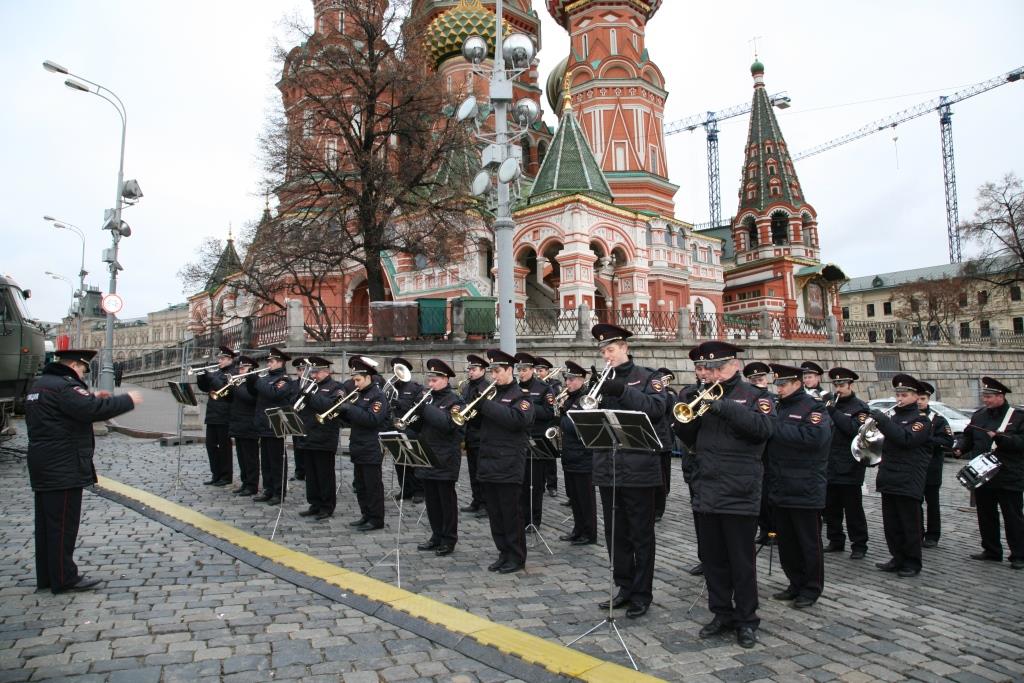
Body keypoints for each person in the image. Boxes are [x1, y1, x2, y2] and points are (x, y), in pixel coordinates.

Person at [675, 341, 774, 649]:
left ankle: (746, 619)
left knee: (741, 562)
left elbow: (763, 430)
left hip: (740, 489)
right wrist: (686, 418)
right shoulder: (700, 394)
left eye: (718, 368)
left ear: (735, 365)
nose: (712, 374)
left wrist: (723, 406)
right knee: (713, 560)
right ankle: (721, 613)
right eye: (709, 368)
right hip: (707, 486)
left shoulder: (756, 396)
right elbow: (688, 438)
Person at [25, 349, 142, 593]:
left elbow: (67, 410)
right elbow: (92, 411)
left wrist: (91, 397)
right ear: (74, 366)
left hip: (43, 462)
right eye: (82, 370)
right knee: (63, 526)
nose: (82, 375)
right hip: (63, 463)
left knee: (46, 525)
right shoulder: (64, 386)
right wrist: (128, 400)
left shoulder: (41, 385)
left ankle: (47, 576)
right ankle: (64, 578)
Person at [589, 324, 668, 620]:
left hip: (640, 469)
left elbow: (656, 409)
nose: (606, 356)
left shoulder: (648, 377)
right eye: (603, 351)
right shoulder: (602, 379)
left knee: (640, 535)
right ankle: (624, 586)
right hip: (608, 468)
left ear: (624, 348)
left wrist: (622, 391)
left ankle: (642, 593)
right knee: (615, 533)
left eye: (610, 350)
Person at [765, 364, 832, 609]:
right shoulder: (778, 406)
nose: (779, 389)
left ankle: (811, 588)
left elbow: (815, 439)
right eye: (777, 385)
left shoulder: (813, 408)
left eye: (783, 385)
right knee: (787, 542)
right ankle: (795, 582)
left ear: (797, 383)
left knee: (808, 542)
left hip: (805, 485)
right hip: (780, 484)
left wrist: (773, 427)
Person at [954, 376, 1024, 569]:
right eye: (984, 396)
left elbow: (1021, 443)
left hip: (1009, 474)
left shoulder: (1017, 417)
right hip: (983, 475)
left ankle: (1019, 555)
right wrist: (960, 448)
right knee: (986, 515)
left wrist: (1001, 438)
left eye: (989, 397)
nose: (985, 400)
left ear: (1001, 396)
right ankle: (992, 550)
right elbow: (968, 436)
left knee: (1013, 517)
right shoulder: (979, 415)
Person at [476, 348, 534, 574]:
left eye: (498, 371)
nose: (494, 376)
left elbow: (517, 420)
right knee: (495, 514)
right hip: (488, 461)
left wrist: (485, 405)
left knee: (511, 514)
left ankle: (516, 556)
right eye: (492, 372)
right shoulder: (491, 394)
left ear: (509, 370)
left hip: (509, 463)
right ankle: (503, 552)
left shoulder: (521, 396)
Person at [871, 374, 933, 578]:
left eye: (904, 395)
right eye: (897, 394)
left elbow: (906, 439)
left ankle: (913, 562)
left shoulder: (921, 421)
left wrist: (883, 422)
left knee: (909, 524)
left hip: (909, 478)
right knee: (892, 524)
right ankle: (897, 557)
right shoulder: (894, 418)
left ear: (915, 397)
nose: (899, 398)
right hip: (889, 476)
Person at [330, 356, 390, 531]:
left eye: (358, 380)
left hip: (372, 446)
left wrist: (350, 408)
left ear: (368, 377)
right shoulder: (359, 395)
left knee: (372, 486)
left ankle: (376, 519)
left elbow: (372, 419)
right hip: (358, 444)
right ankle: (366, 515)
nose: (355, 384)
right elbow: (353, 420)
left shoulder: (378, 397)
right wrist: (341, 412)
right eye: (354, 380)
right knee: (361, 485)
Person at [414, 359, 466, 556]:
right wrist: (414, 412)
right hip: (427, 454)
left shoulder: (455, 402)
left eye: (434, 380)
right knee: (432, 501)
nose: (430, 384)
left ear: (445, 379)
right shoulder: (429, 400)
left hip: (446, 457)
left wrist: (425, 408)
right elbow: (419, 427)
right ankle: (436, 536)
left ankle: (449, 539)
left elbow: (447, 424)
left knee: (446, 501)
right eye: (429, 380)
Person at [822, 367, 871, 559]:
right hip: (830, 463)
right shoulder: (830, 404)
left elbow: (854, 429)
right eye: (835, 385)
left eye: (841, 385)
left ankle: (859, 544)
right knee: (831, 507)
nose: (838, 389)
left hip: (850, 465)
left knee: (853, 509)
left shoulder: (860, 408)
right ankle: (835, 540)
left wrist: (833, 412)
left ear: (850, 385)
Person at [293, 357, 345, 520]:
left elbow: (330, 406)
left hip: (324, 437)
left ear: (327, 371)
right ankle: (314, 504)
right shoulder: (309, 385)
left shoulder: (336, 387)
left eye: (317, 372)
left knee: (324, 474)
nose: (314, 375)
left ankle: (326, 506)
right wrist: (300, 394)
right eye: (312, 372)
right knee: (311, 474)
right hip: (308, 434)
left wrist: (309, 396)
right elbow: (296, 405)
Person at [248, 347, 295, 506]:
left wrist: (257, 381)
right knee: (266, 461)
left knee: (277, 461)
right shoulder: (266, 378)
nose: (268, 364)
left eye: (271, 361)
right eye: (268, 361)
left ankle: (278, 492)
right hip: (263, 423)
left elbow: (274, 393)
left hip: (276, 424)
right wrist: (250, 381)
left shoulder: (285, 380)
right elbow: (254, 393)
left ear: (280, 363)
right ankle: (268, 490)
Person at [679, 351, 712, 576]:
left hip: (712, 463)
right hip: (693, 460)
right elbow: (678, 423)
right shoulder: (688, 393)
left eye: (705, 369)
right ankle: (704, 557)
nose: (702, 373)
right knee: (698, 514)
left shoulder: (721, 394)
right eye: (699, 369)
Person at [514, 352, 555, 530]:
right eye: (519, 370)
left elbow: (549, 413)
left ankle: (534, 520)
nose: (521, 373)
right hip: (518, 440)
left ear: (532, 370)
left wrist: (529, 406)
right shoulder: (514, 388)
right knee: (520, 483)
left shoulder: (544, 388)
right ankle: (521, 518)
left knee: (535, 484)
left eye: (524, 370)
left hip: (537, 440)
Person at [557, 362, 597, 545]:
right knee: (574, 498)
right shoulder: (570, 399)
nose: (568, 383)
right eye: (567, 379)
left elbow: (579, 426)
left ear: (582, 380)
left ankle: (589, 533)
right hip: (570, 456)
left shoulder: (585, 400)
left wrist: (562, 414)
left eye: (572, 380)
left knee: (585, 499)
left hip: (583, 457)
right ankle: (578, 529)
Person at [918, 381, 953, 548]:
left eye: (922, 398)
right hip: (914, 468)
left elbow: (948, 441)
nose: (919, 402)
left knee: (932, 503)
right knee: (914, 503)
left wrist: (927, 439)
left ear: (928, 399)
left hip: (932, 467)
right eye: (917, 398)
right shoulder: (908, 418)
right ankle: (917, 532)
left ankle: (933, 535)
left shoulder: (938, 420)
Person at [195, 346, 236, 486]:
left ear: (230, 359)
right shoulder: (218, 372)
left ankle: (226, 476)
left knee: (224, 447)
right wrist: (201, 376)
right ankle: (216, 474)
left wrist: (211, 377)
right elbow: (205, 388)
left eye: (223, 359)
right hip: (212, 414)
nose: (220, 361)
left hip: (224, 415)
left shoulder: (233, 373)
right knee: (210, 446)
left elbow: (224, 389)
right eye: (219, 359)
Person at [744, 361, 774, 546]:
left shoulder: (771, 399)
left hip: (770, 453)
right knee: (759, 496)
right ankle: (764, 528)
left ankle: (772, 530)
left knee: (769, 494)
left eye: (760, 379)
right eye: (754, 380)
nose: (758, 383)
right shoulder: (747, 398)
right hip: (754, 452)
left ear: (766, 380)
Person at [390, 357, 425, 504]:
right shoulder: (392, 387)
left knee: (414, 460)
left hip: (411, 428)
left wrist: (399, 403)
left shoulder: (416, 388)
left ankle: (419, 490)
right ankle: (405, 489)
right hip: (395, 428)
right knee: (399, 461)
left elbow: (418, 407)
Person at [460, 354, 490, 517]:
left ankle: (486, 503)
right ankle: (476, 500)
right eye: (469, 369)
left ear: (483, 370)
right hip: (470, 434)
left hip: (481, 433)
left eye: (474, 369)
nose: (470, 372)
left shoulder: (486, 387)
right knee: (472, 470)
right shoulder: (467, 387)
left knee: (482, 471)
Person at [227, 355, 260, 497]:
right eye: (239, 368)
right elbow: (229, 399)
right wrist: (229, 388)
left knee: (250, 457)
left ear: (251, 369)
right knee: (241, 457)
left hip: (249, 424)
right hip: (238, 423)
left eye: (243, 368)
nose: (240, 370)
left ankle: (252, 485)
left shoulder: (254, 382)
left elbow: (249, 398)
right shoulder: (239, 382)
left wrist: (235, 387)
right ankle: (245, 482)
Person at [653, 367, 677, 523]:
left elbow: (667, 411)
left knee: (662, 477)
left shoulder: (669, 395)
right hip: (653, 439)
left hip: (664, 439)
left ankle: (658, 510)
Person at [535, 356, 562, 496]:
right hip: (537, 425)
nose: (538, 373)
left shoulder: (555, 384)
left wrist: (547, 387)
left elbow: (556, 398)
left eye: (541, 371)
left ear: (547, 371)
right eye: (537, 370)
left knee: (550, 457)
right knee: (537, 457)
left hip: (549, 424)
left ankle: (552, 486)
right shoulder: (534, 384)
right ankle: (539, 485)